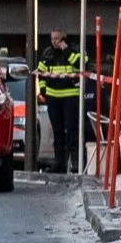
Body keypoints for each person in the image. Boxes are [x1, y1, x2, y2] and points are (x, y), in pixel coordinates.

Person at [37, 29, 83, 174]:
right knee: (57, 131)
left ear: (63, 38)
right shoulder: (47, 53)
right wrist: (43, 91)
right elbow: (41, 73)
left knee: (71, 129)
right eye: (52, 39)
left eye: (57, 39)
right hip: (53, 98)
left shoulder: (74, 50)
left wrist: (66, 50)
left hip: (70, 96)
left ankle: (74, 162)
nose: (54, 42)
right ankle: (59, 162)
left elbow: (80, 64)